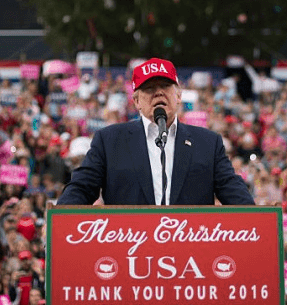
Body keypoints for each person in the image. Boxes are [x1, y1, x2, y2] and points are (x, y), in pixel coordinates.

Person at [56, 58, 254, 206]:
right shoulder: (109, 141)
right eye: (150, 88)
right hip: (129, 252)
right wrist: (59, 224)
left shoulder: (208, 143)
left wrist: (261, 224)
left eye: (165, 86)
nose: (158, 92)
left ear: (178, 95)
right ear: (136, 101)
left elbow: (236, 195)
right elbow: (81, 189)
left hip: (191, 254)